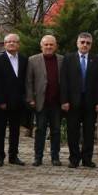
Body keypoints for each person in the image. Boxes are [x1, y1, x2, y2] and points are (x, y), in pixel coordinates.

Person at [61, 32, 98, 167]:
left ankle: (87, 159)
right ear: (77, 43)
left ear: (91, 45)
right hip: (73, 102)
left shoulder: (96, 60)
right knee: (73, 131)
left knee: (89, 132)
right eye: (82, 42)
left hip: (90, 102)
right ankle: (74, 159)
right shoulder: (68, 59)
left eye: (88, 43)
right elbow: (64, 81)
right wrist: (64, 100)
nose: (85, 45)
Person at [0, 33, 28, 166]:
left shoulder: (23, 60)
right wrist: (0, 101)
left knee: (15, 131)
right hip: (2, 103)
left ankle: (13, 155)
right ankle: (0, 156)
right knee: (0, 130)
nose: (12, 44)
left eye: (14, 42)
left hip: (18, 102)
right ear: (5, 44)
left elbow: (24, 82)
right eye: (9, 42)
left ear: (18, 44)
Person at [26, 34, 64, 167]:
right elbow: (29, 81)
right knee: (40, 130)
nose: (48, 47)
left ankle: (55, 157)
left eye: (51, 44)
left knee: (56, 130)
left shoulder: (61, 60)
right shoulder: (33, 60)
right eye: (46, 44)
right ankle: (38, 157)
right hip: (40, 102)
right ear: (41, 46)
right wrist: (30, 98)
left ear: (55, 46)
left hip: (56, 103)